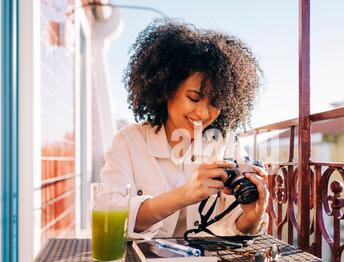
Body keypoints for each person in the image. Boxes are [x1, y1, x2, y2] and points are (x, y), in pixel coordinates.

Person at [100, 19, 269, 240]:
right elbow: (110, 220)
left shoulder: (226, 144)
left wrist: (252, 218)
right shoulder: (128, 142)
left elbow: (235, 226)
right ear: (167, 88)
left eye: (215, 103)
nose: (203, 113)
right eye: (194, 98)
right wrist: (184, 195)